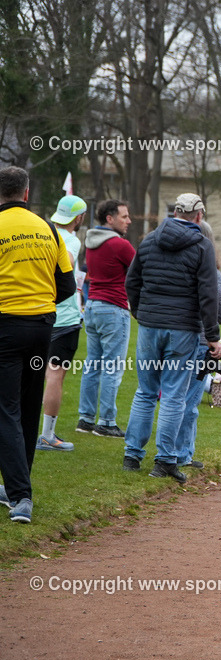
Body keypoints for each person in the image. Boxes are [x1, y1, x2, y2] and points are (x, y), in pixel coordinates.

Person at [122, 193, 221, 483]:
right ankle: (165, 460)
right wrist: (214, 338)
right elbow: (208, 295)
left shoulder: (150, 240)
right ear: (199, 216)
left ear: (175, 212)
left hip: (150, 326)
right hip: (182, 329)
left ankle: (132, 454)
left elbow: (132, 282)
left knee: (145, 391)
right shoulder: (203, 246)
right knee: (174, 396)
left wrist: (142, 313)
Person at [0, 166, 76, 522]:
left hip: (7, 328)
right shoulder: (49, 229)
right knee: (28, 408)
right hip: (43, 328)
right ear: (26, 194)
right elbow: (67, 287)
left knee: (6, 410)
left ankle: (20, 496)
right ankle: (19, 485)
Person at [172, 221, 221, 469]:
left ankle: (167, 451)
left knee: (172, 397)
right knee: (189, 401)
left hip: (172, 337)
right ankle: (181, 454)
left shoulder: (176, 265)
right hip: (198, 340)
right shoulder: (211, 271)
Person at [77, 199, 135, 438]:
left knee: (92, 365)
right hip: (113, 309)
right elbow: (140, 270)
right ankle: (107, 422)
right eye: (124, 216)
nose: (129, 221)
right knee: (112, 367)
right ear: (109, 219)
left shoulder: (90, 242)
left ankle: (86, 418)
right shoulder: (119, 245)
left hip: (92, 307)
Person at [37, 195, 87, 451]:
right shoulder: (71, 240)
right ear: (79, 218)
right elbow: (64, 262)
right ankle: (47, 435)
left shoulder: (44, 233)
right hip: (64, 317)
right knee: (55, 374)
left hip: (38, 313)